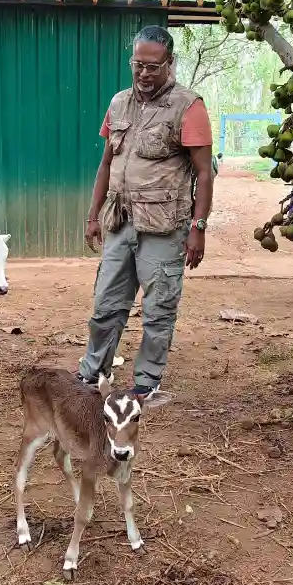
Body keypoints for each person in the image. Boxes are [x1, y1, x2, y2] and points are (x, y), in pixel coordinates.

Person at [79, 25, 215, 400]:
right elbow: (106, 164)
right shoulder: (119, 103)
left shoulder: (189, 106)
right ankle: (92, 375)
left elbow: (204, 173)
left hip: (164, 229)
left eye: (153, 67)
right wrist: (93, 215)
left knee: (158, 310)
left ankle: (147, 384)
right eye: (138, 65)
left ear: (169, 64)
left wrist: (198, 227)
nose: (144, 73)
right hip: (120, 224)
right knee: (106, 306)